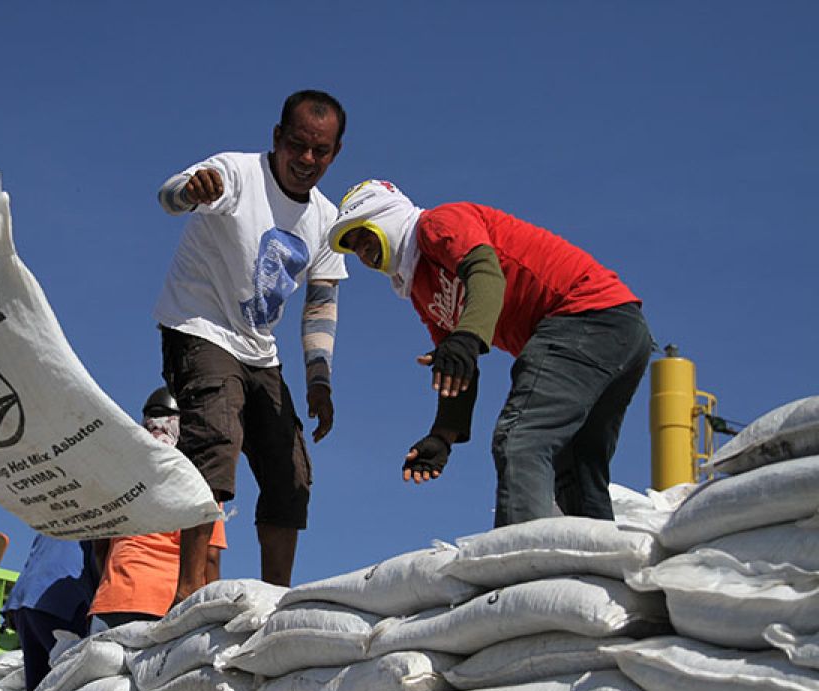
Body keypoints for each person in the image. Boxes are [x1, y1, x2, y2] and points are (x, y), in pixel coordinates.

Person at [328, 179, 652, 527]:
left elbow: (485, 272)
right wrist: (443, 435)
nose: (362, 253)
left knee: (520, 439)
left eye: (365, 236)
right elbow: (457, 364)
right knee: (576, 467)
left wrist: (467, 337)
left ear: (387, 218)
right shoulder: (421, 290)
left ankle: (521, 570)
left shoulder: (438, 224)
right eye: (354, 248)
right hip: (616, 332)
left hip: (587, 316)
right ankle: (594, 569)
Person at [154, 89, 348, 601]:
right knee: (216, 439)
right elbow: (169, 196)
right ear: (278, 137)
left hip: (260, 349)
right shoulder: (237, 174)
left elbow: (320, 306)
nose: (307, 160)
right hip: (200, 326)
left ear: (335, 153)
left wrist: (320, 381)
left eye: (321, 152)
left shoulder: (327, 220)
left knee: (292, 473)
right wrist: (191, 191)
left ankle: (275, 600)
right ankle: (189, 587)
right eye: (298, 146)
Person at [88, 386, 227, 632]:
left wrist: (114, 585)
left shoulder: (120, 476)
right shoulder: (201, 482)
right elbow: (210, 557)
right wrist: (212, 611)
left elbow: (99, 546)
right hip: (167, 601)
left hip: (112, 599)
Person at [2, 536, 97, 691]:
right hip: (63, 600)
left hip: (23, 600)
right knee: (72, 682)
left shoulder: (56, 519)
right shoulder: (99, 523)